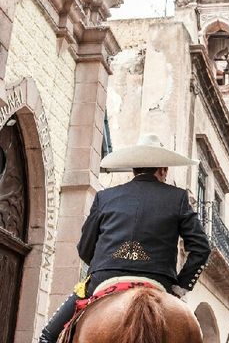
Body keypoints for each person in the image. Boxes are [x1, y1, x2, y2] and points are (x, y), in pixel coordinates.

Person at [39, 134, 211, 343]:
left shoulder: (105, 197)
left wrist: (106, 266)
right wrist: (180, 286)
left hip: (105, 279)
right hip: (158, 281)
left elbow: (85, 247)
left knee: (48, 335)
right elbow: (201, 249)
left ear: (134, 169)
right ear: (163, 170)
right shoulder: (178, 198)